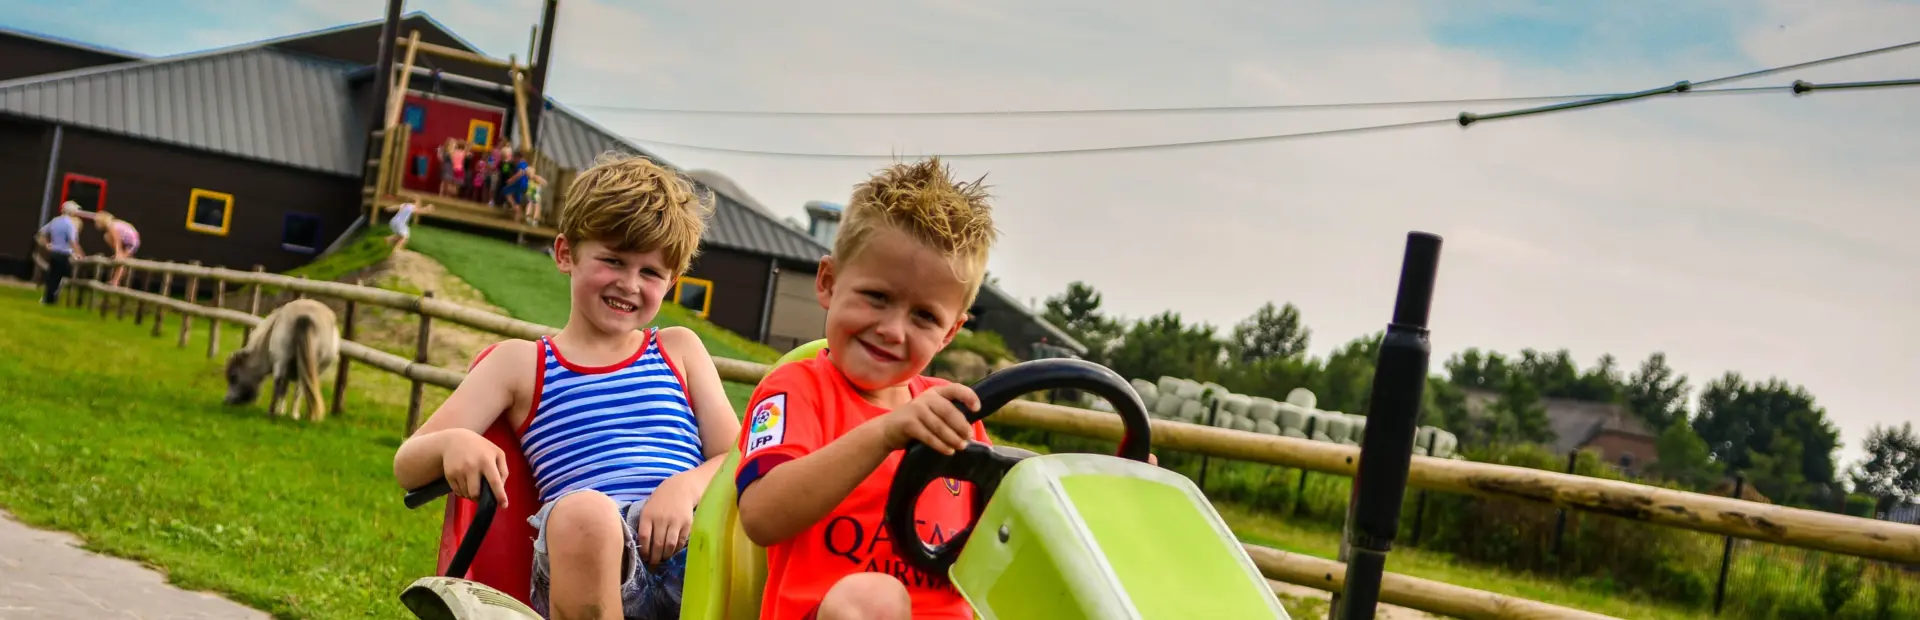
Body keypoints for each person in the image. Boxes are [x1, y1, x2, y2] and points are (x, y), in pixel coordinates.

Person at [393, 154, 737, 620]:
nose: (629, 284)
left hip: (692, 550)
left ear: (672, 280)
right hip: (589, 559)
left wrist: (684, 488)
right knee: (585, 515)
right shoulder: (523, 364)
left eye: (651, 272)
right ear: (565, 254)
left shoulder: (679, 350)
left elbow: (737, 459)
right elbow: (408, 464)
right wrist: (454, 442)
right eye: (612, 260)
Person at [732, 157, 1005, 620]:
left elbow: (1012, 528)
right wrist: (884, 435)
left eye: (924, 316)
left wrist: (1098, 483)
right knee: (876, 598)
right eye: (877, 297)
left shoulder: (956, 416)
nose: (893, 330)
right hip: (831, 611)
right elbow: (760, 515)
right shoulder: (797, 389)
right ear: (829, 282)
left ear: (950, 333)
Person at [34, 201, 86, 305]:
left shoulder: (55, 221)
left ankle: (48, 298)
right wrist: (81, 254)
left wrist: (47, 245)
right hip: (64, 253)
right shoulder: (70, 224)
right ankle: (50, 299)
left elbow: (41, 233)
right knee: (60, 277)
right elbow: (73, 241)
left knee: (52, 276)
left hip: (53, 252)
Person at [93, 212, 139, 287]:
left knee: (120, 261)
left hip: (131, 243)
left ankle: (115, 281)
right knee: (107, 236)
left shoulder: (111, 226)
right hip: (128, 241)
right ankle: (117, 280)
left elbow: (117, 240)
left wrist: (118, 254)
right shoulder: (113, 224)